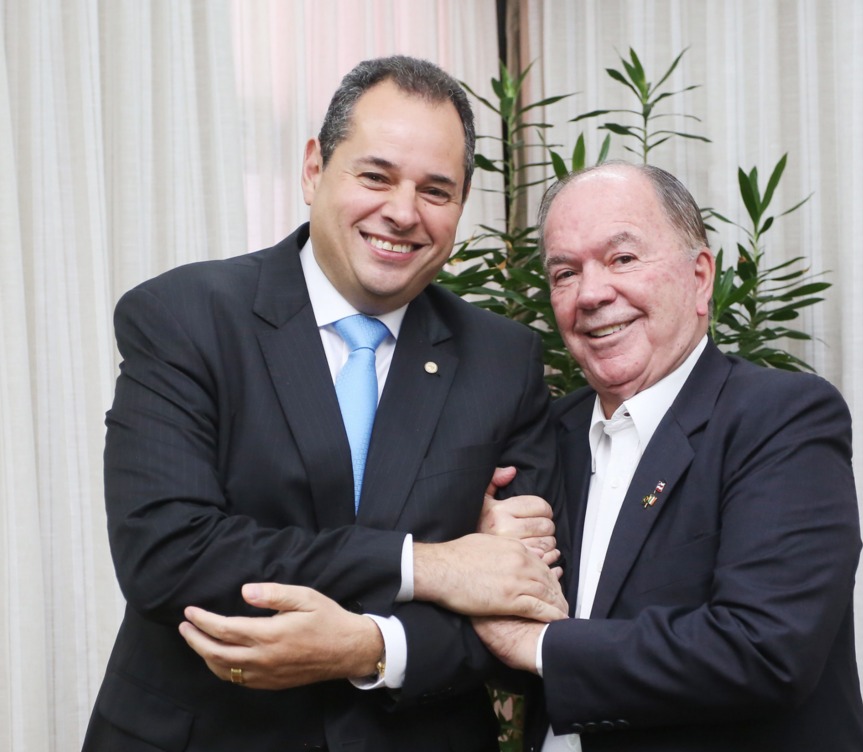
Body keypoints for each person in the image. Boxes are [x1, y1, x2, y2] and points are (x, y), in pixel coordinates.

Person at [82, 55, 567, 752]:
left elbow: (523, 605)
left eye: (436, 190)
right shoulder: (185, 317)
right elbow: (169, 554)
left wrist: (374, 647)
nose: (403, 212)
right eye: (376, 176)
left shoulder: (504, 360)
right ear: (314, 169)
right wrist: (429, 565)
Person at [471, 161, 863, 751]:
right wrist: (480, 551)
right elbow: (496, 633)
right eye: (565, 273)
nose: (591, 293)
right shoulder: (547, 433)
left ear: (700, 276)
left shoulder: (781, 417)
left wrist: (541, 645)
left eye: (622, 258)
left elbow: (764, 650)